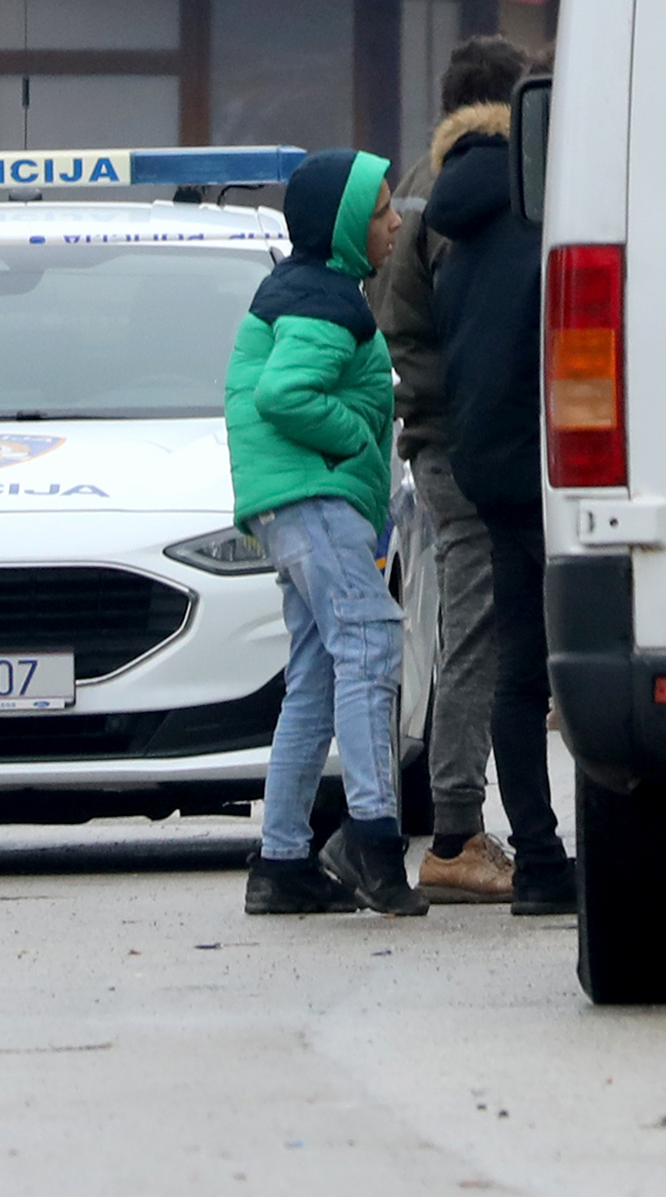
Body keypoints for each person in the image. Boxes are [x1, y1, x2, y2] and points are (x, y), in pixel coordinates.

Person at [230, 146, 421, 918]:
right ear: (344, 225)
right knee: (371, 643)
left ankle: (282, 859)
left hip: (293, 500)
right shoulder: (324, 300)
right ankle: (370, 839)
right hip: (315, 494)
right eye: (380, 213)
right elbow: (284, 393)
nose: (396, 221)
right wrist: (352, 441)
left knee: (315, 671)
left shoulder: (305, 288)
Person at [415, 42, 582, 918]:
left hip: (487, 462)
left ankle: (544, 862)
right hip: (554, 466)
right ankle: (632, 853)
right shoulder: (549, 209)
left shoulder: (462, 216)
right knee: (593, 664)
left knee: (519, 671)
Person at [371, 35, 533, 904]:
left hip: (437, 446)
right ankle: (457, 830)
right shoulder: (522, 201)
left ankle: (468, 822)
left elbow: (402, 333)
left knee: (467, 631)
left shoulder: (422, 217)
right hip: (489, 449)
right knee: (484, 637)